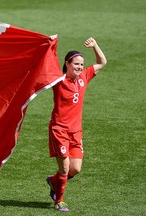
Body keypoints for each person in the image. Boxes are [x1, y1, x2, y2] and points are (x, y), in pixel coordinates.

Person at [46, 35, 107, 212]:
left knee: (75, 169)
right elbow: (47, 65)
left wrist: (95, 45)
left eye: (81, 64)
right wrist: (50, 45)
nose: (80, 67)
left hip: (76, 131)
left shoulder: (84, 77)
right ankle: (59, 201)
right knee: (64, 167)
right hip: (59, 130)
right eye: (76, 64)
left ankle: (53, 181)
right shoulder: (59, 80)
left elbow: (102, 62)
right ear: (67, 64)